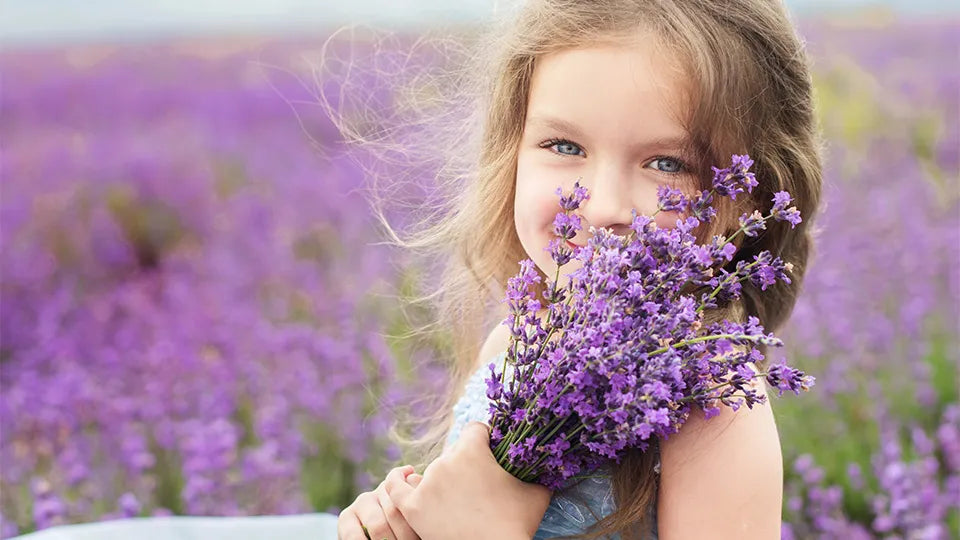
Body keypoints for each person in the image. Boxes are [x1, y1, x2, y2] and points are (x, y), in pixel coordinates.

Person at [330, 0, 823, 539]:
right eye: (564, 145)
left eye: (668, 164)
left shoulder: (713, 403)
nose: (604, 206)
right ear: (510, 152)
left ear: (749, 201)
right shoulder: (512, 347)